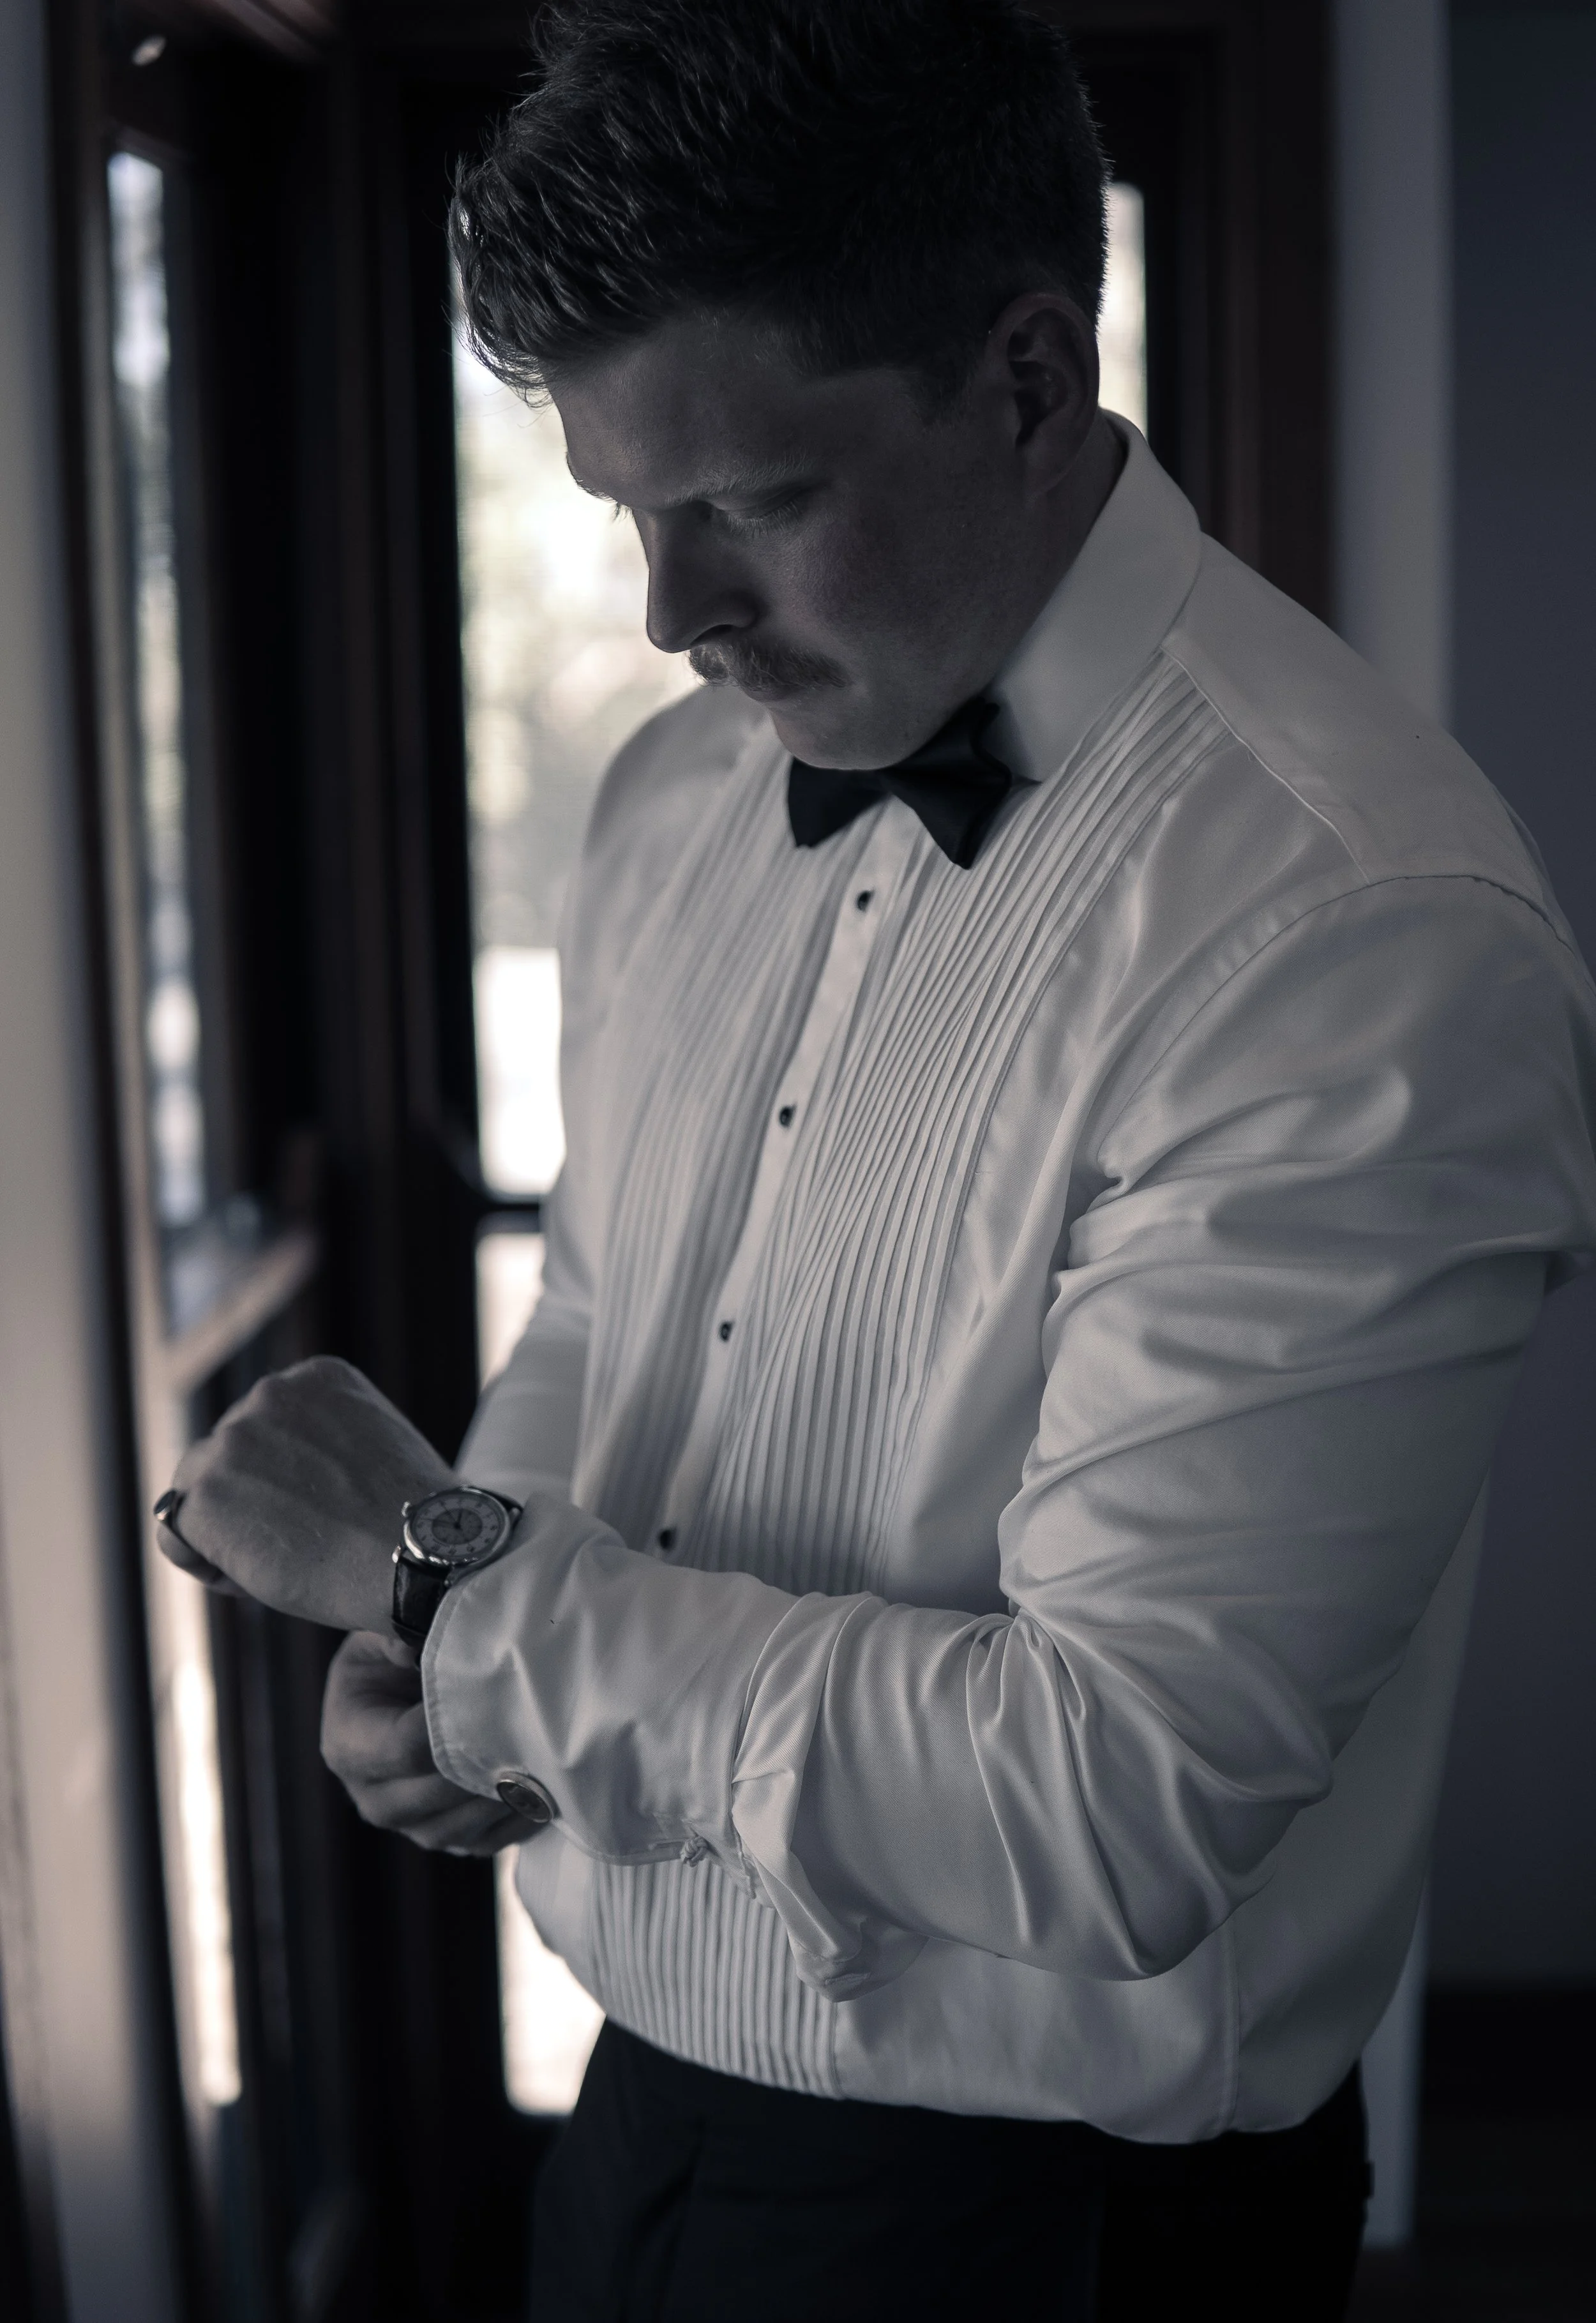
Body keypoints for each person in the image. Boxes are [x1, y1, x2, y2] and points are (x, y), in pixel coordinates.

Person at [154, 2, 1596, 2315]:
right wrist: (455, 1653)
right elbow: (609, 1307)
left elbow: (1111, 1801)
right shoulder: (669, 799)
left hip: (1051, 2219)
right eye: (628, 512)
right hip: (635, 2109)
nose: (666, 614)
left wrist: (467, 1598)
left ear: (1028, 379)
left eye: (750, 500)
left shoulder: (1357, 934)